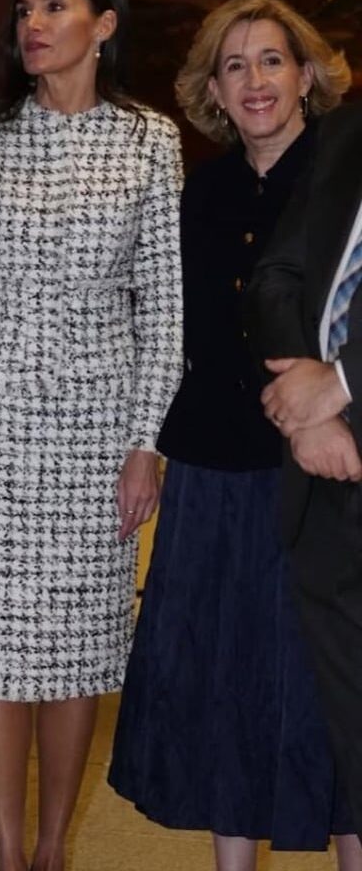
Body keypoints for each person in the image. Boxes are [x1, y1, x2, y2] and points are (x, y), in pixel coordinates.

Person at [0, 0, 183, 871]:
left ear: (104, 26)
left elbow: (165, 307)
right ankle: (9, 853)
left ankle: (57, 846)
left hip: (99, 433)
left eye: (55, 6)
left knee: (82, 644)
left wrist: (148, 444)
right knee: (0, 649)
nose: (32, 24)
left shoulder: (150, 140)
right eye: (24, 7)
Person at [108, 0, 360, 870]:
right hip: (213, 470)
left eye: (272, 61)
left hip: (318, 472)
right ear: (213, 86)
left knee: (327, 689)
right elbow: (171, 332)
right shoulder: (200, 190)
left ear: (306, 75)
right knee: (224, 681)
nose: (254, 81)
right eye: (235, 64)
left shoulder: (342, 176)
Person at [247, 72, 362, 834]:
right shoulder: (347, 131)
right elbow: (276, 275)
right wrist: (309, 411)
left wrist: (345, 385)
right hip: (327, 480)